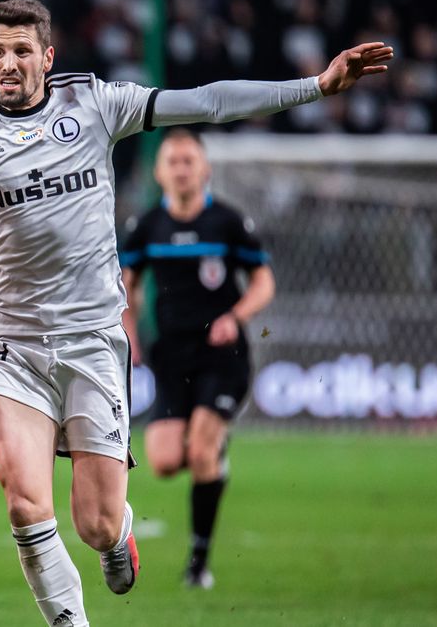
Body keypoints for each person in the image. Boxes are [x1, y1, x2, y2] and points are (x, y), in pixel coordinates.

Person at [0, 0, 390, 626]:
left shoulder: (95, 104)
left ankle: (118, 531)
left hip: (93, 343)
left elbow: (207, 100)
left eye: (22, 51)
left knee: (95, 524)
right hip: (12, 346)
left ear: (47, 57)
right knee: (24, 503)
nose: (9, 63)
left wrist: (316, 86)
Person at [119, 129, 275, 589]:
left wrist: (236, 314)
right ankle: (213, 457)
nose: (182, 168)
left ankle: (197, 564)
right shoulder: (147, 227)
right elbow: (125, 287)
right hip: (171, 357)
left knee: (201, 452)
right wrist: (130, 334)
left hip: (222, 355)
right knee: (166, 461)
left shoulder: (226, 222)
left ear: (205, 169)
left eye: (190, 160)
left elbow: (263, 281)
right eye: (174, 161)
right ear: (158, 171)